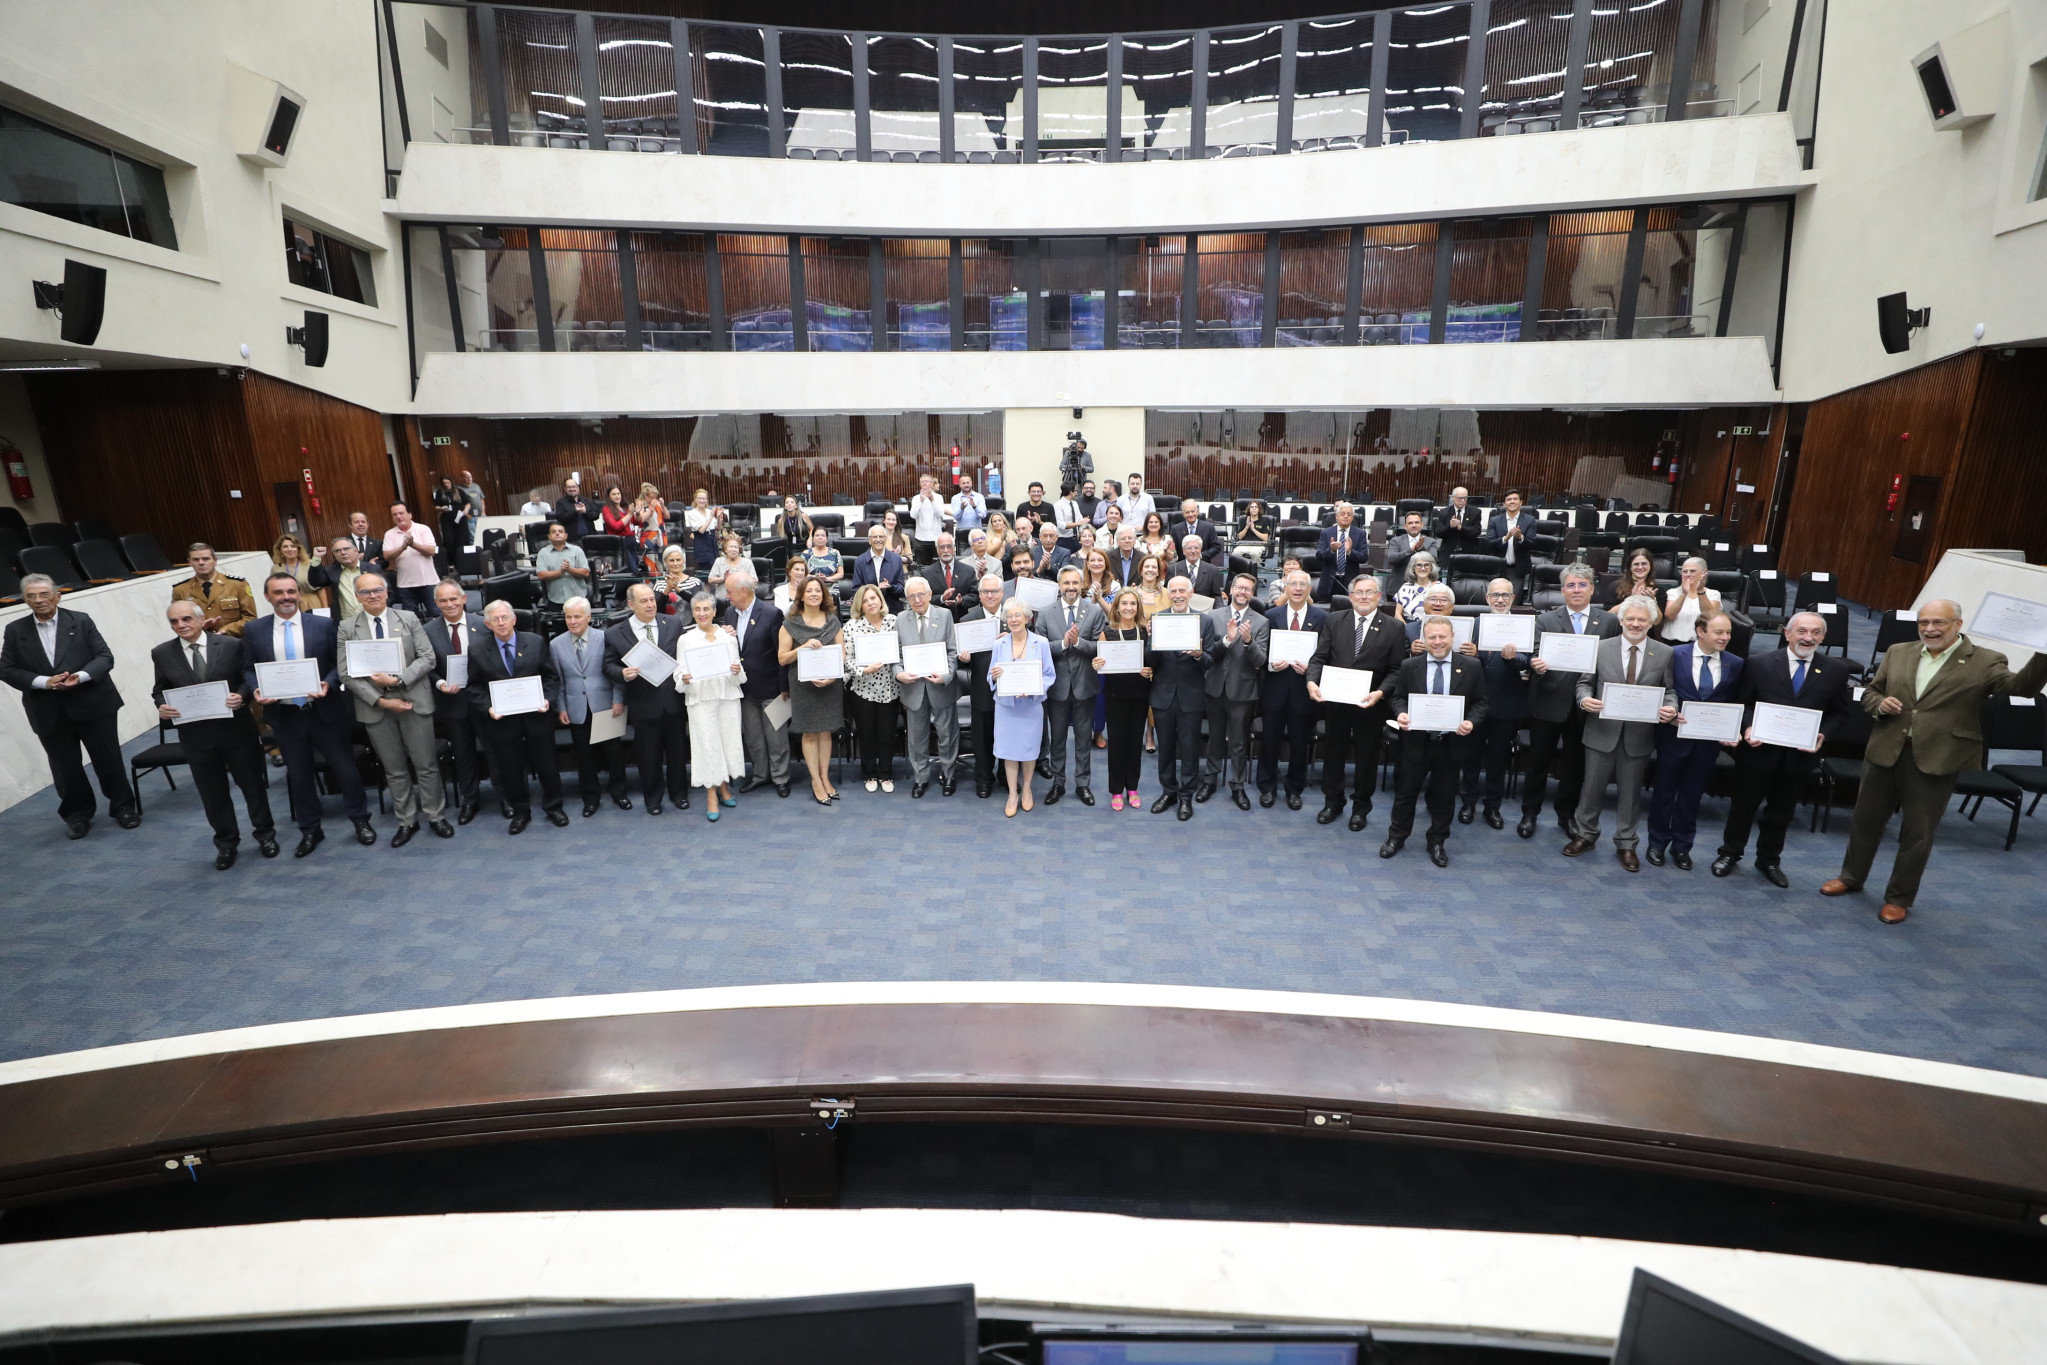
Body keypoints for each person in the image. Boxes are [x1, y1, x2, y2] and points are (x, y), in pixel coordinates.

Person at [1824, 599, 2047, 923]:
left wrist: (2043, 650)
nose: (1930, 629)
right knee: (1865, 821)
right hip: (1886, 749)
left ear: (1958, 624)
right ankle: (1850, 877)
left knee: (1918, 832)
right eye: (1924, 622)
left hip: (1937, 756)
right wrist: (1879, 704)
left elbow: (2022, 687)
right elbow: (1871, 690)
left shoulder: (1984, 660)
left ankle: (1898, 897)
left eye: (1939, 623)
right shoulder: (1899, 651)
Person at [1713, 612, 1855, 885]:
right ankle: (1730, 853)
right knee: (1743, 807)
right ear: (1787, 634)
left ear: (1823, 637)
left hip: (1799, 757)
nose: (1808, 637)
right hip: (1758, 753)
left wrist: (1823, 734)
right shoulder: (1759, 663)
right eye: (1801, 631)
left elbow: (1839, 713)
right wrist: (1748, 727)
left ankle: (1768, 860)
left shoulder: (1836, 669)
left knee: (1781, 812)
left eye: (1815, 632)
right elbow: (1742, 702)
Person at [242, 572, 375, 855]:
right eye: (278, 592)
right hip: (286, 715)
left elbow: (340, 663)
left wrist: (329, 682)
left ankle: (360, 821)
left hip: (324, 710)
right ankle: (311, 830)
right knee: (299, 776)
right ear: (268, 597)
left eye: (291, 591)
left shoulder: (324, 624)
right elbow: (248, 668)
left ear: (299, 594)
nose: (286, 597)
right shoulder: (254, 630)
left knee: (345, 770)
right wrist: (256, 689)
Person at [2, 573, 138, 838]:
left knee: (108, 759)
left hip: (93, 704)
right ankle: (77, 815)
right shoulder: (15, 630)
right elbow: (6, 669)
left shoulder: (81, 620)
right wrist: (43, 682)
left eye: (44, 594)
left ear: (57, 596)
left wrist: (81, 676)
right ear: (25, 600)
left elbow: (104, 657)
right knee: (65, 767)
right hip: (48, 710)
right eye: (31, 596)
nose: (39, 600)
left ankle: (123, 807)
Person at [151, 599, 275, 867]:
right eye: (174, 621)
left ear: (200, 618)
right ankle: (226, 843)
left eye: (186, 619)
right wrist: (161, 705)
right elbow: (159, 688)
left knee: (252, 785)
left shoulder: (231, 645)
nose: (180, 625)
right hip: (196, 736)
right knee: (212, 792)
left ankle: (265, 834)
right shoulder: (161, 652)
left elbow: (247, 678)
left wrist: (241, 696)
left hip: (237, 731)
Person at [1563, 596, 1678, 871]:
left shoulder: (1664, 653)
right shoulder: (1602, 648)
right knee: (1590, 789)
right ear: (1621, 620)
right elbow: (1584, 684)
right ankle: (1585, 835)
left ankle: (1626, 844)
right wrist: (1584, 700)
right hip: (1601, 731)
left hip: (1638, 737)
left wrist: (1671, 708)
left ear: (1651, 623)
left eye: (1642, 620)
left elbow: (1670, 690)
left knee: (1630, 795)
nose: (1635, 624)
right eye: (1630, 619)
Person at [337, 570, 449, 845]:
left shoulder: (408, 618)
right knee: (394, 769)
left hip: (414, 701)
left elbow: (427, 658)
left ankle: (435, 815)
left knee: (426, 765)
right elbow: (346, 673)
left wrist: (398, 679)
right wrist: (382, 700)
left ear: (387, 592)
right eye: (365, 592)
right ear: (357, 597)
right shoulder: (347, 627)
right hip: (376, 706)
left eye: (378, 590)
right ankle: (407, 820)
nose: (373, 595)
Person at [1520, 563, 1618, 839]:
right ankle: (1530, 813)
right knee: (1537, 763)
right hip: (1549, 701)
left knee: (1574, 767)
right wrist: (1534, 663)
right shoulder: (1546, 620)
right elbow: (1534, 653)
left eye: (1582, 584)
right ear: (1562, 591)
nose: (1576, 590)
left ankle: (1567, 816)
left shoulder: (1608, 622)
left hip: (1586, 707)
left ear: (1592, 588)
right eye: (1571, 585)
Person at [1381, 615, 1489, 866]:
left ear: (1452, 637)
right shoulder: (1410, 666)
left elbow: (1481, 702)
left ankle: (1437, 842)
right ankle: (1396, 837)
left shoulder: (1471, 666)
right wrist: (1401, 713)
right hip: (1416, 743)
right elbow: (1397, 698)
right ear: (1424, 640)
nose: (1438, 642)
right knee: (1405, 794)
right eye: (1432, 637)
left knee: (1444, 796)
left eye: (1443, 636)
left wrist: (1471, 722)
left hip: (1451, 745)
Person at [1644, 609, 1743, 868]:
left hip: (1707, 744)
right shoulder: (1674, 655)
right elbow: (1662, 689)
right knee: (1664, 792)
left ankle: (1681, 847)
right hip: (1673, 737)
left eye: (1728, 633)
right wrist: (1669, 711)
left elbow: (1733, 702)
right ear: (1701, 632)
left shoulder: (1735, 663)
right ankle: (1656, 843)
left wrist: (1732, 729)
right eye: (1719, 632)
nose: (1725, 637)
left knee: (1692, 796)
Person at [1308, 575, 1407, 831]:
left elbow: (1397, 669)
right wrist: (1311, 682)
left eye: (1369, 592)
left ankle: (1361, 807)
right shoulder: (1334, 620)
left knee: (1366, 757)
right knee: (1333, 753)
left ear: (1378, 596)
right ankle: (1333, 801)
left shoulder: (1394, 627)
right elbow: (1319, 657)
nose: (1364, 597)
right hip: (1336, 701)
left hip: (1370, 704)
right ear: (1351, 597)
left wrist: (1381, 693)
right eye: (1359, 592)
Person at [468, 599, 568, 834]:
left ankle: (554, 807)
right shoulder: (478, 649)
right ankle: (521, 812)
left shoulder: (535, 642)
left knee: (548, 766)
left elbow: (551, 678)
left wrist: (547, 700)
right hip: (503, 721)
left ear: (514, 619)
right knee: (511, 769)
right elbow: (473, 687)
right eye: (495, 619)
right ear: (487, 624)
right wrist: (489, 707)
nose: (501, 623)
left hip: (537, 716)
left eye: (505, 617)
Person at [605, 582, 691, 814]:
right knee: (648, 756)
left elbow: (686, 651)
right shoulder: (615, 632)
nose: (651, 604)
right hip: (643, 704)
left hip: (672, 701)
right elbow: (608, 665)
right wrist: (621, 673)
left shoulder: (672, 623)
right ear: (630, 604)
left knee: (677, 753)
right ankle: (653, 800)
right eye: (644, 601)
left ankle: (679, 794)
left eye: (652, 599)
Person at [1145, 575, 1221, 820]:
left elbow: (1210, 661)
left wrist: (1200, 654)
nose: (1177, 595)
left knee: (1189, 749)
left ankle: (1186, 796)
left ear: (1191, 593)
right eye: (1173, 591)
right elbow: (1150, 661)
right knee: (1165, 748)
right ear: (1169, 594)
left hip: (1191, 696)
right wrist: (1151, 641)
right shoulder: (1158, 619)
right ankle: (1169, 791)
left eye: (1182, 591)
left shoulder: (1205, 621)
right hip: (1163, 695)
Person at [1459, 579, 1531, 828]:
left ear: (1513, 599)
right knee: (1470, 758)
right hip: (1474, 705)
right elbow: (1463, 660)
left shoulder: (1522, 624)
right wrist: (1470, 655)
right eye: (1495, 595)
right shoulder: (1475, 624)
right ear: (1487, 599)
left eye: (1505, 596)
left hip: (1505, 703)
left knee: (1498, 760)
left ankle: (1492, 807)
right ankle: (1468, 802)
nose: (1500, 600)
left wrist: (1513, 659)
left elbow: (1527, 660)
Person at [550, 595, 629, 817]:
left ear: (588, 617)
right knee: (584, 757)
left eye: (577, 616)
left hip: (605, 705)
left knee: (613, 753)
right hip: (576, 707)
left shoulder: (605, 638)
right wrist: (561, 707)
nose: (573, 621)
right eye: (568, 617)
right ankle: (590, 798)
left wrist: (618, 699)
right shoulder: (556, 644)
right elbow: (559, 680)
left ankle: (619, 792)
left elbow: (616, 672)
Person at [424, 577, 491, 824]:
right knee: (463, 755)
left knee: (494, 751)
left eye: (454, 598)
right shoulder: (428, 631)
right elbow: (427, 666)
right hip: (452, 703)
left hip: (484, 701)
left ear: (464, 598)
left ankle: (505, 797)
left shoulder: (483, 624)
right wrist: (440, 683)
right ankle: (470, 800)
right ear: (436, 603)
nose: (450, 604)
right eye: (443, 600)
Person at [1200, 572, 1269, 810]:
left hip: (1243, 690)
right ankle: (1209, 780)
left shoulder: (1261, 622)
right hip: (1216, 687)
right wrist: (1228, 641)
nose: (1243, 592)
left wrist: (1248, 642)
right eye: (1239, 587)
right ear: (1231, 589)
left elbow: (1261, 660)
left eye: (1248, 589)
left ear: (1253, 593)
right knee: (1215, 739)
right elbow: (1208, 655)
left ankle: (1237, 786)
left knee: (1239, 742)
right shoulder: (1213, 616)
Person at [1036, 565, 1103, 806]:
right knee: (1058, 739)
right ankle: (1058, 782)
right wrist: (1064, 643)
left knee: (1084, 738)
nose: (1071, 587)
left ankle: (1083, 784)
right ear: (1059, 586)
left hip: (1085, 685)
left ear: (1081, 584)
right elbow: (1040, 649)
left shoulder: (1094, 611)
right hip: (1057, 687)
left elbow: (1099, 647)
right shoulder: (1044, 613)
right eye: (1066, 583)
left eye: (1075, 583)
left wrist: (1079, 642)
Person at [1258, 569, 1325, 809]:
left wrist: (1311, 669)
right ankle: (1266, 787)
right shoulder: (1271, 615)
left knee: (1299, 744)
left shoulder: (1321, 617)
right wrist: (1270, 663)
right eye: (1293, 584)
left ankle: (1294, 789)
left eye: (1302, 585)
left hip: (1303, 693)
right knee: (1269, 742)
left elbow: (1324, 654)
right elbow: (1261, 650)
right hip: (1274, 689)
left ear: (1309, 590)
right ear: (1285, 588)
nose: (1297, 588)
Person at [676, 591, 745, 819]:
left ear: (715, 612)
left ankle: (724, 786)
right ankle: (711, 794)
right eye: (698, 609)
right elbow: (679, 671)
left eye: (707, 609)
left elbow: (737, 668)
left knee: (726, 742)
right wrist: (683, 678)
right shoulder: (686, 639)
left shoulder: (728, 637)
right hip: (700, 699)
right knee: (707, 745)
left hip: (726, 696)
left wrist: (736, 670)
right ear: (693, 613)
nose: (702, 613)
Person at [722, 570, 790, 797]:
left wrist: (784, 688)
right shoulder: (730, 613)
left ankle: (781, 777)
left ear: (744, 591)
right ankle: (761, 775)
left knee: (776, 738)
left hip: (772, 688)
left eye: (730, 592)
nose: (727, 596)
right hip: (745, 688)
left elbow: (782, 654)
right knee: (753, 737)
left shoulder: (771, 613)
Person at [988, 597, 1056, 817]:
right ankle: (1012, 793)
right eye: (1009, 616)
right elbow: (991, 675)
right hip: (1006, 707)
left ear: (1028, 618)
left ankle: (1026, 789)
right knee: (1008, 751)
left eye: (1018, 615)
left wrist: (1035, 687)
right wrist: (996, 677)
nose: (1013, 619)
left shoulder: (1041, 643)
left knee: (1028, 751)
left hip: (1031, 706)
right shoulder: (999, 644)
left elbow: (1049, 675)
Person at [781, 576, 845, 805]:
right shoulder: (790, 623)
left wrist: (830, 678)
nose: (814, 594)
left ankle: (825, 778)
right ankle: (815, 781)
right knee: (809, 733)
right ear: (801, 595)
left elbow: (842, 654)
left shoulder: (833, 621)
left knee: (826, 731)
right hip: (803, 687)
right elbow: (782, 658)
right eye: (809, 591)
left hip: (829, 685)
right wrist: (803, 648)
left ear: (824, 594)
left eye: (818, 590)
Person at [894, 574, 959, 797]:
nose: (917, 600)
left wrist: (946, 675)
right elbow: (896, 655)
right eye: (912, 596)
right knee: (916, 738)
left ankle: (949, 775)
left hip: (940, 686)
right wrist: (899, 673)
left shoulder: (945, 615)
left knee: (946, 735)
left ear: (930, 595)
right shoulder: (901, 619)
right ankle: (920, 778)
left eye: (921, 594)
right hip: (913, 689)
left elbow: (952, 651)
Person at [1093, 587, 1152, 811]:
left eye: (1132, 604)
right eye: (1124, 603)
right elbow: (1100, 665)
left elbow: (1153, 662)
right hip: (1115, 696)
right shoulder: (1106, 634)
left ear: (1138, 607)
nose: (1128, 608)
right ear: (1116, 607)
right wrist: (1095, 665)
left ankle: (1133, 787)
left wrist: (1150, 671)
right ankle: (1117, 790)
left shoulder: (1145, 633)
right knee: (1116, 743)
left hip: (1139, 695)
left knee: (1134, 743)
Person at [956, 573, 1012, 799]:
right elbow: (958, 658)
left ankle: (1006, 777)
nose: (990, 595)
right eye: (985, 592)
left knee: (1007, 736)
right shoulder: (967, 620)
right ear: (979, 595)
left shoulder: (1013, 618)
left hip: (1010, 688)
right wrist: (963, 658)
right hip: (981, 688)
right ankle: (983, 779)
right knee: (982, 739)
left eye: (994, 591)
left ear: (1002, 593)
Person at [842, 584, 902, 792]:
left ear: (880, 600)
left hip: (890, 688)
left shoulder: (894, 622)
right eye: (866, 600)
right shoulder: (851, 626)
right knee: (867, 734)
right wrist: (863, 670)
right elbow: (847, 660)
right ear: (861, 605)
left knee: (887, 733)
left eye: (873, 598)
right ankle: (870, 773)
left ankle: (885, 774)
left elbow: (901, 651)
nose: (870, 603)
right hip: (862, 689)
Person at [170, 543, 258, 637]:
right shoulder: (180, 590)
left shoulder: (237, 584)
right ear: (189, 562)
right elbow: (176, 621)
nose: (201, 562)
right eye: (196, 559)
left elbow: (251, 618)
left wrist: (225, 630)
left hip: (235, 641)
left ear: (215, 560)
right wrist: (199, 627)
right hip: (202, 644)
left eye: (206, 559)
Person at [381, 502, 441, 615]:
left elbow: (431, 551)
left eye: (401, 513)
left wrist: (413, 544)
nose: (398, 516)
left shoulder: (423, 529)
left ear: (410, 514)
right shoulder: (389, 534)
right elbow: (387, 556)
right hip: (405, 584)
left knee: (436, 613)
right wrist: (402, 547)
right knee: (410, 618)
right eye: (395, 514)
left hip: (428, 582)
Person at [1660, 557, 1722, 645]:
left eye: (1693, 571)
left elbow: (1710, 618)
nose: (1688, 574)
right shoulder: (1673, 592)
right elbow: (1670, 616)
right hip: (1672, 644)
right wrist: (1684, 593)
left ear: (1704, 573)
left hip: (1699, 644)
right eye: (1684, 571)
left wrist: (1700, 591)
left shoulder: (1713, 594)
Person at [1316, 502, 1370, 603]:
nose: (1346, 516)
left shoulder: (1360, 533)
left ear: (1352, 517)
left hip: (1350, 581)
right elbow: (1319, 556)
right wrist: (1331, 550)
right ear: (1337, 516)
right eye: (1343, 514)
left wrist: (1350, 551)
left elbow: (1364, 557)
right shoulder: (1326, 532)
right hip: (1329, 581)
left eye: (1349, 514)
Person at [1483, 488, 1537, 584]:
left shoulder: (1530, 520)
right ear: (1504, 504)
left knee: (1515, 598)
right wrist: (1505, 538)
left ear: (1521, 502)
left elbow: (1532, 544)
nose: (1512, 502)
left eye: (1515, 499)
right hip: (1497, 569)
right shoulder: (1494, 520)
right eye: (1509, 499)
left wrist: (1520, 537)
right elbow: (1488, 544)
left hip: (1518, 570)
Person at [533, 521, 590, 608]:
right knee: (558, 621)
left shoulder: (577, 550)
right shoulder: (543, 553)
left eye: (560, 531)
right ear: (549, 536)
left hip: (578, 598)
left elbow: (586, 572)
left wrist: (569, 570)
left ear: (566, 535)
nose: (557, 534)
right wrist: (560, 572)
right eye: (553, 532)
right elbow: (541, 575)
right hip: (555, 599)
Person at [851, 525, 906, 612]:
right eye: (874, 537)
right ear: (869, 540)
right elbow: (856, 590)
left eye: (881, 536)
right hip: (869, 609)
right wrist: (876, 590)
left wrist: (890, 587)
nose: (878, 539)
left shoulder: (896, 559)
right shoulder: (860, 561)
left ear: (885, 539)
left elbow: (901, 589)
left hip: (891, 608)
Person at [310, 536, 366, 620]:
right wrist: (316, 558)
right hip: (345, 622)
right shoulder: (331, 571)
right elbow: (315, 582)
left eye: (346, 549)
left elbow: (387, 592)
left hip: (370, 619)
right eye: (337, 551)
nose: (343, 553)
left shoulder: (372, 568)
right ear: (335, 555)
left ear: (355, 550)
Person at [1385, 511, 1441, 585]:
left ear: (1422, 525)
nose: (1414, 525)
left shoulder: (1431, 541)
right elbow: (1391, 559)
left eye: (1417, 522)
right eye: (1410, 523)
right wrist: (1410, 550)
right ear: (1405, 526)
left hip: (1424, 585)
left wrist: (1420, 548)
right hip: (1399, 586)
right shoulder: (1396, 540)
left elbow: (1433, 560)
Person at [923, 533, 971, 616]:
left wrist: (961, 601)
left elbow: (975, 595)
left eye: (949, 546)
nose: (945, 550)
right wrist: (941, 598)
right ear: (937, 550)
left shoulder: (968, 570)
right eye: (942, 547)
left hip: (963, 617)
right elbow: (924, 597)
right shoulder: (927, 573)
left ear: (954, 548)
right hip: (937, 618)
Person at [651, 544, 706, 615]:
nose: (675, 563)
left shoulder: (695, 582)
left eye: (678, 560)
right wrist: (667, 590)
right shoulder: (658, 585)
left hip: (692, 625)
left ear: (683, 561)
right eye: (671, 560)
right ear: (666, 562)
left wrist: (678, 589)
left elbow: (699, 604)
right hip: (667, 625)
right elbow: (657, 610)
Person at [909, 473, 950, 565]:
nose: (924, 483)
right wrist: (921, 501)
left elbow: (940, 513)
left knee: (938, 565)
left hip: (936, 537)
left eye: (927, 481)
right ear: (920, 484)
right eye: (922, 482)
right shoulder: (916, 499)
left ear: (932, 483)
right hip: (920, 538)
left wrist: (932, 500)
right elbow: (913, 515)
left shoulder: (938, 498)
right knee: (921, 566)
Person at [270, 532, 320, 608]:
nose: (289, 549)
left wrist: (325, 609)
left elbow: (320, 589)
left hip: (310, 602)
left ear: (298, 549)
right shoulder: (276, 569)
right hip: (287, 604)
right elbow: (274, 590)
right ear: (280, 550)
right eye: (285, 547)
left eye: (293, 546)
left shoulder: (310, 564)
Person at [1393, 551, 1442, 623]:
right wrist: (1408, 629)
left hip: (1431, 627)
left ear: (1432, 568)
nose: (1423, 568)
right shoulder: (1405, 587)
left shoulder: (1440, 588)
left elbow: (1443, 614)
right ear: (1413, 568)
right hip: (1406, 627)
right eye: (1419, 565)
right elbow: (1397, 615)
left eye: (1426, 565)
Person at [1172, 534, 1224, 601]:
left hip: (1204, 609)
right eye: (1189, 548)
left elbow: (1217, 596)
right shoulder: (1173, 569)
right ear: (1183, 551)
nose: (1193, 551)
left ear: (1200, 549)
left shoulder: (1212, 570)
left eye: (1196, 548)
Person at [684, 487, 725, 570]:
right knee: (705, 568)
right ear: (695, 499)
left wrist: (718, 518)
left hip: (712, 541)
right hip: (702, 542)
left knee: (715, 566)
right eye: (699, 498)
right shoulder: (692, 513)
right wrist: (711, 517)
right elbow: (701, 530)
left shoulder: (709, 511)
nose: (702, 501)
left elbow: (717, 528)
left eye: (704, 499)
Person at [1435, 486, 1481, 557]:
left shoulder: (1475, 512)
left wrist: (1461, 527)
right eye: (1460, 498)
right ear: (1453, 498)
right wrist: (1450, 527)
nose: (1462, 501)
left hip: (1468, 553)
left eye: (1465, 498)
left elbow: (1477, 532)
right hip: (1448, 553)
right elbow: (1438, 533)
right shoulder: (1444, 512)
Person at [707, 533, 751, 605]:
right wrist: (723, 579)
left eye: (736, 547)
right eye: (731, 547)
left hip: (742, 600)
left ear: (739, 549)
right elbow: (710, 580)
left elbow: (755, 580)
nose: (733, 549)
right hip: (722, 600)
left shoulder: (747, 562)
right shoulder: (719, 561)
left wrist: (741, 579)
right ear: (725, 549)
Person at [554, 475, 598, 542]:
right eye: (569, 487)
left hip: (590, 537)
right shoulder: (561, 502)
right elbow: (560, 518)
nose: (572, 489)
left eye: (574, 486)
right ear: (565, 489)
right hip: (572, 540)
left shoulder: (586, 501)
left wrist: (585, 511)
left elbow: (596, 515)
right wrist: (575, 511)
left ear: (578, 488)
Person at [434, 475, 474, 550]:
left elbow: (467, 503)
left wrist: (465, 510)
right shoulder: (440, 492)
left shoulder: (459, 491)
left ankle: (462, 556)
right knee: (449, 540)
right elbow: (436, 506)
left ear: (451, 482)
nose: (446, 484)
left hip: (459, 517)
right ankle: (451, 559)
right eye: (444, 483)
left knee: (462, 538)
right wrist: (441, 508)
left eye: (447, 482)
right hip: (447, 518)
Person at [802, 526, 845, 591]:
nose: (820, 537)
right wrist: (815, 577)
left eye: (823, 535)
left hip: (831, 587)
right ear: (813, 539)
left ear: (827, 538)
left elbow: (841, 574)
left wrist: (827, 579)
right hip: (811, 587)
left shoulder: (835, 553)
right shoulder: (806, 553)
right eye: (817, 535)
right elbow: (801, 573)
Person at [772, 494, 814, 559]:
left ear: (796, 506)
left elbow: (812, 529)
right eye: (787, 502)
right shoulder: (781, 521)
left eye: (792, 502)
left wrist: (810, 538)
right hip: (792, 549)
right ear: (785, 506)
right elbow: (782, 538)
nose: (789, 504)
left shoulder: (803, 516)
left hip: (805, 546)